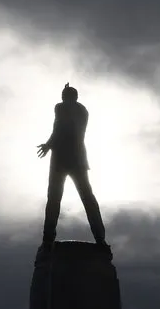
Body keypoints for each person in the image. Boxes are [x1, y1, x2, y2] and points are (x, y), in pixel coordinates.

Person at [36, 83, 108, 248]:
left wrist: (48, 145)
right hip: (78, 159)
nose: (61, 98)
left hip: (61, 159)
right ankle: (100, 238)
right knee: (87, 198)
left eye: (63, 95)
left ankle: (48, 240)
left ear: (68, 96)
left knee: (54, 199)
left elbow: (61, 128)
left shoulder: (60, 108)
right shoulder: (83, 110)